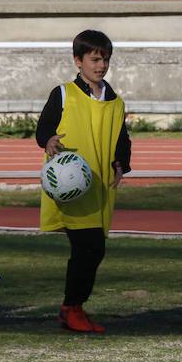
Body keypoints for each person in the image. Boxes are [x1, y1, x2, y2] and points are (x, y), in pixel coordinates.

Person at [36, 30, 132, 333]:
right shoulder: (63, 94)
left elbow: (121, 138)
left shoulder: (115, 102)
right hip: (70, 186)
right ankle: (72, 308)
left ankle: (73, 307)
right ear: (78, 61)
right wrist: (48, 141)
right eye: (94, 59)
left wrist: (121, 163)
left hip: (99, 187)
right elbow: (43, 129)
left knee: (93, 248)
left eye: (105, 59)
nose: (101, 65)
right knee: (87, 246)